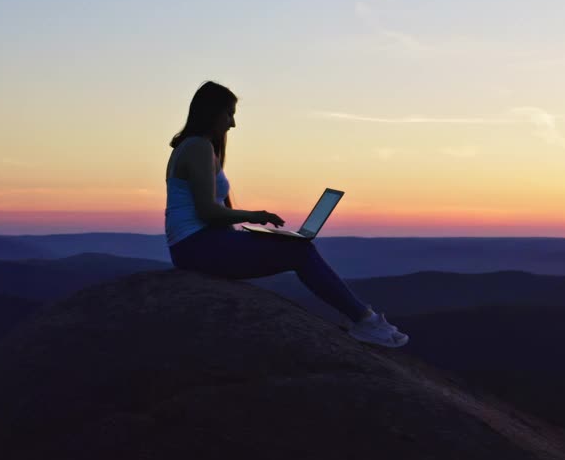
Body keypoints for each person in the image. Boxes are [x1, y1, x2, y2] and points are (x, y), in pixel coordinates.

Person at [164, 80, 408, 348]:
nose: (232, 123)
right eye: (229, 113)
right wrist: (256, 216)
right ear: (211, 112)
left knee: (296, 247)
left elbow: (214, 212)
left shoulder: (198, 147)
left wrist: (247, 239)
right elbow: (208, 212)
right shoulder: (197, 147)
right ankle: (366, 322)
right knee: (299, 252)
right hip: (197, 247)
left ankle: (364, 318)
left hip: (201, 244)